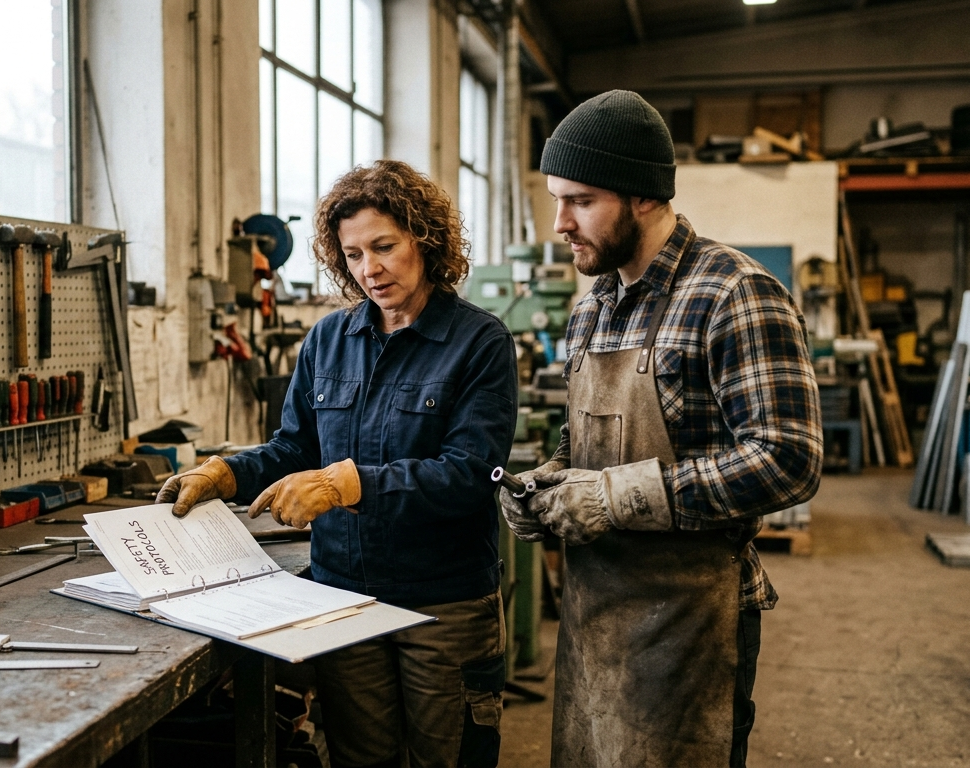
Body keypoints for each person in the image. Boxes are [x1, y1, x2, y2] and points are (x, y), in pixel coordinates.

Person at [156, 160, 518, 768]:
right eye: (352, 255)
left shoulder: (479, 342)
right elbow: (295, 448)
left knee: (448, 759)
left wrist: (347, 484)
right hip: (344, 595)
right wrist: (228, 472)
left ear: (425, 240)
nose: (369, 269)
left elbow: (469, 474)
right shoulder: (328, 340)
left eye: (384, 247)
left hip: (444, 603)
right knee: (359, 759)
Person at [500, 90, 823, 767]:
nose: (560, 222)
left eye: (581, 200)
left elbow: (788, 459)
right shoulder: (593, 310)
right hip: (595, 625)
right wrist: (548, 485)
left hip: (689, 627)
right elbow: (582, 443)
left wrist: (616, 497)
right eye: (557, 198)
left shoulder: (735, 292)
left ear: (644, 195)